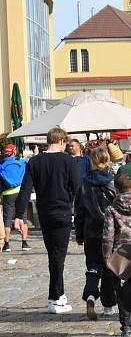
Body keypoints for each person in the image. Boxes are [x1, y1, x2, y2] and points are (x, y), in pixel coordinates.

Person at [15, 128, 81, 314]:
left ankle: (59, 294)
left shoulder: (34, 162)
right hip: (62, 213)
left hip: (44, 214)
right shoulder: (68, 160)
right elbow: (78, 188)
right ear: (61, 141)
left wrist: (19, 216)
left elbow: (25, 190)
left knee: (54, 254)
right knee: (58, 256)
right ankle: (54, 298)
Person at [74, 146, 117, 321]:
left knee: (92, 266)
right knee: (108, 269)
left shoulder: (84, 184)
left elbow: (78, 212)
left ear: (92, 161)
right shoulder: (112, 183)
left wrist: (79, 234)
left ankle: (91, 294)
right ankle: (108, 305)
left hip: (90, 231)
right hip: (109, 233)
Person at [102, 172, 131, 337]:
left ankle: (126, 327)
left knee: (122, 292)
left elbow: (108, 235)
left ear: (116, 190)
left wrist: (106, 258)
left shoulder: (111, 209)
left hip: (119, 254)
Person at [0, 143, 30, 251]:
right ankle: (24, 243)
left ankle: (7, 244)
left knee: (7, 219)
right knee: (23, 216)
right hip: (21, 192)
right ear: (14, 151)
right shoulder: (21, 162)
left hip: (8, 193)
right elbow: (31, 162)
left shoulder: (1, 166)